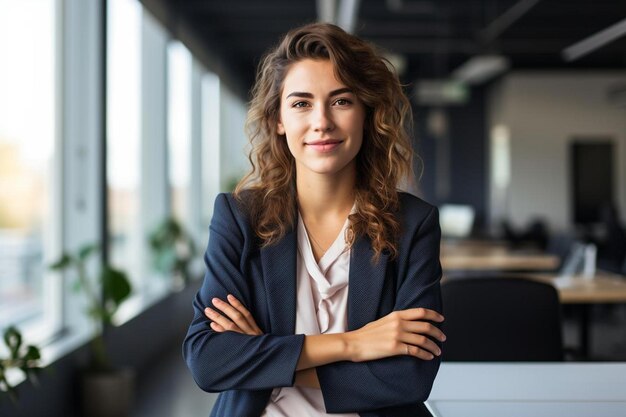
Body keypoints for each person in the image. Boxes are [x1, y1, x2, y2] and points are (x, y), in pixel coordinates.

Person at [183, 22, 445, 417]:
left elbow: (410, 376)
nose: (321, 121)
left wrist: (265, 354)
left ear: (366, 113)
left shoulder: (412, 222)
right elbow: (208, 360)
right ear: (278, 119)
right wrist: (354, 344)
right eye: (301, 103)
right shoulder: (240, 218)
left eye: (341, 101)